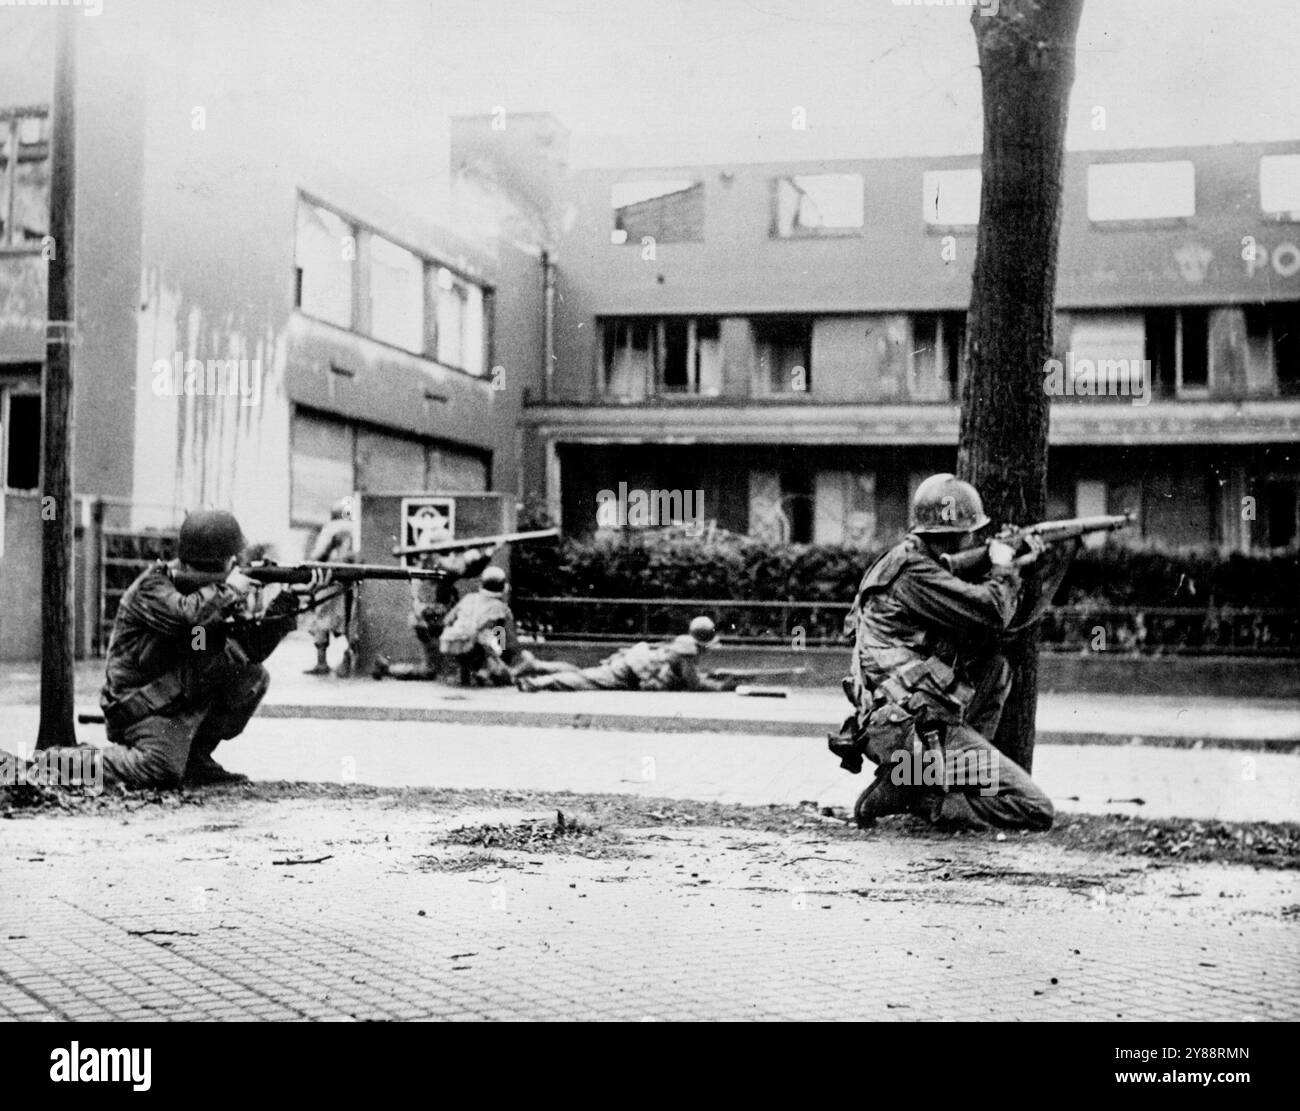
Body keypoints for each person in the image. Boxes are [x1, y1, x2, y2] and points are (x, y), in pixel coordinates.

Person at [831, 473, 1055, 831]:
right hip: (914, 727)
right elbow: (992, 612)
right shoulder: (914, 572)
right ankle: (926, 797)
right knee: (1035, 808)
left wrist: (1020, 565)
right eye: (972, 531)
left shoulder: (908, 563)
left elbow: (976, 619)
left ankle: (912, 779)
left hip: (903, 721)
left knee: (994, 667)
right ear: (962, 533)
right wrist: (1001, 564)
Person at [92, 509, 319, 789]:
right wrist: (231, 590)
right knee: (159, 771)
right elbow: (188, 616)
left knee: (250, 674)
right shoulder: (153, 586)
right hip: (142, 710)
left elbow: (249, 650)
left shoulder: (215, 595)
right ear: (229, 560)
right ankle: (61, 763)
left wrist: (289, 599)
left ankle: (194, 760)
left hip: (176, 702)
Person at [433, 566, 578, 686]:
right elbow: (509, 644)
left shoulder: (469, 598)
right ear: (504, 588)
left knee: (487, 638)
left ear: (481, 585)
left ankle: (481, 671)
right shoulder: (501, 608)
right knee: (530, 665)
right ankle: (492, 671)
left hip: (450, 646)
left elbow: (447, 621)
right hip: (478, 649)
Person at [516, 616, 736, 693]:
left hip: (631, 664)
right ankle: (536, 683)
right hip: (630, 671)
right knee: (584, 680)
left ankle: (538, 666)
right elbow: (693, 683)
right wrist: (720, 686)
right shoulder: (688, 650)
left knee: (585, 675)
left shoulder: (685, 643)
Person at [304, 497, 356, 676]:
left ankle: (322, 662)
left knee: (322, 620)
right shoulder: (356, 527)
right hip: (350, 578)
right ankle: (348, 660)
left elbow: (319, 553)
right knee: (348, 621)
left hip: (329, 576)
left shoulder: (332, 528)